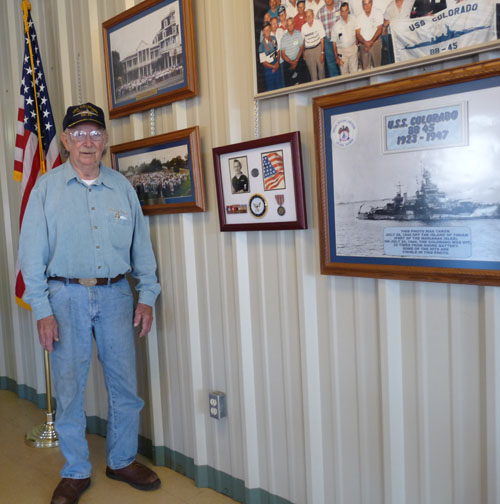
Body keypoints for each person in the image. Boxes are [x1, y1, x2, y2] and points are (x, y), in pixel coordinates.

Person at [18, 102, 161, 504]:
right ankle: (77, 470)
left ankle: (121, 460)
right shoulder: (45, 190)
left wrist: (146, 296)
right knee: (69, 387)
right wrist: (43, 310)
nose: (87, 142)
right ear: (65, 141)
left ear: (105, 140)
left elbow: (142, 252)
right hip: (65, 297)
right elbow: (30, 257)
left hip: (117, 294)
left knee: (125, 387)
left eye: (95, 133)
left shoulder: (122, 188)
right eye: (78, 134)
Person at [281, 16, 310, 85]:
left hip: (298, 59)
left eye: (291, 24)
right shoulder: (283, 38)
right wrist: (292, 62)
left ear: (294, 24)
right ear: (286, 26)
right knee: (289, 82)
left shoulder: (298, 33)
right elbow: (283, 54)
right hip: (288, 61)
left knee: (304, 79)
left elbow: (301, 48)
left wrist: (296, 61)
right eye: (288, 25)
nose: (290, 26)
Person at [355, 0, 384, 69]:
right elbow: (358, 34)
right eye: (365, 4)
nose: (367, 6)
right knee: (366, 69)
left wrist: (371, 42)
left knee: (378, 67)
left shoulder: (378, 12)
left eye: (369, 3)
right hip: (363, 44)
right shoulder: (358, 17)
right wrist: (365, 43)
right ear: (362, 5)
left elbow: (380, 29)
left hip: (375, 42)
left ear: (372, 3)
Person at [316, 0, 342, 77]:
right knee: (331, 64)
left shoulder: (340, 5)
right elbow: (318, 29)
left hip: (340, 39)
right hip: (328, 41)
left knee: (343, 63)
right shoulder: (320, 12)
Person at [333, 2, 359, 74]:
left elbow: (357, 32)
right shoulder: (336, 26)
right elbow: (334, 43)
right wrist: (336, 58)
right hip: (342, 52)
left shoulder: (354, 19)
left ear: (348, 11)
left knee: (355, 72)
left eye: (346, 10)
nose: (344, 13)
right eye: (342, 11)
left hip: (353, 49)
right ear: (340, 12)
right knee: (344, 74)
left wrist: (357, 44)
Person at [302, 8, 326, 80]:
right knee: (313, 75)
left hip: (318, 48)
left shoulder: (318, 23)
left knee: (322, 72)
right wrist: (304, 53)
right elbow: (303, 42)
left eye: (310, 15)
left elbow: (322, 39)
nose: (308, 17)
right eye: (307, 16)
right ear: (305, 18)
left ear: (313, 15)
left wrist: (322, 53)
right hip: (309, 51)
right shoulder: (303, 27)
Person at [259, 21, 283, 90]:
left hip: (276, 64)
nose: (267, 31)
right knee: (271, 89)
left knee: (280, 87)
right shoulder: (261, 46)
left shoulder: (274, 38)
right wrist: (273, 67)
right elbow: (264, 63)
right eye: (265, 30)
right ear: (263, 32)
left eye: (269, 29)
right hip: (269, 69)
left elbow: (277, 51)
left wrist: (277, 62)